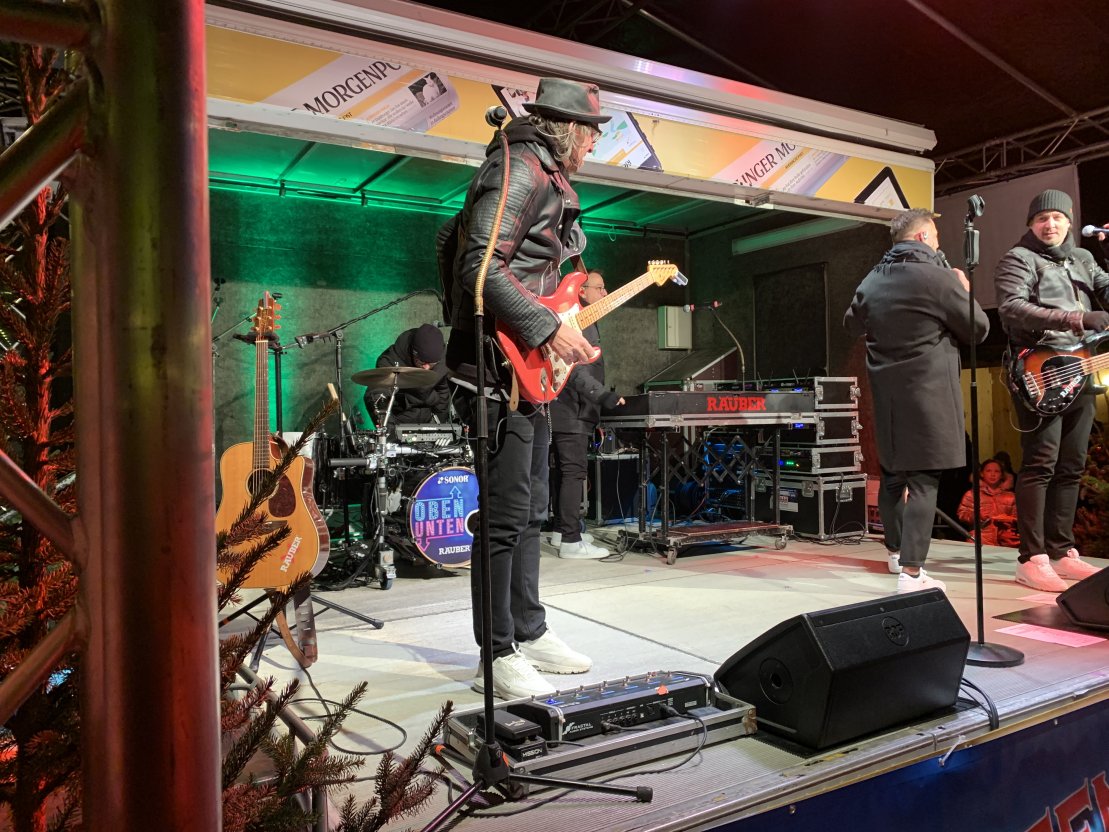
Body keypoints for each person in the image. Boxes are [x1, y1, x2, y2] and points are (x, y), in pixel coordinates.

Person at [439, 77, 608, 699]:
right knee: (505, 516)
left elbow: (531, 268)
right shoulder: (519, 168)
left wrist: (553, 324)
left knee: (532, 510)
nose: (594, 144)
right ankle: (497, 651)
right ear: (567, 127)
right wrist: (547, 328)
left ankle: (529, 630)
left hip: (523, 368)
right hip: (494, 371)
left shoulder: (544, 172)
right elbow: (479, 266)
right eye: (591, 132)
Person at [845, 207, 988, 593]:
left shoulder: (873, 279)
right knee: (925, 480)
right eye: (935, 236)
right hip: (929, 393)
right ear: (923, 237)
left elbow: (851, 323)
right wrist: (964, 289)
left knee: (894, 477)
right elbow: (979, 329)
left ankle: (895, 553)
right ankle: (912, 573)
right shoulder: (938, 278)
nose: (938, 243)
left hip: (888, 396)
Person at [994, 189, 1109, 592]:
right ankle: (1032, 558)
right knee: (1040, 464)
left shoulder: (1083, 258)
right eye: (1042, 218)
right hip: (1041, 371)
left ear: (1070, 222)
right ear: (1031, 223)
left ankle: (1061, 551)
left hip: (1083, 369)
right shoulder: (1018, 259)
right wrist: (1076, 319)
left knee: (1072, 465)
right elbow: (1012, 308)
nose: (1050, 224)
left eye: (1058, 217)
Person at [548, 269, 624, 559]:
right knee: (573, 472)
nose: (605, 293)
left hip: (561, 408)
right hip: (574, 410)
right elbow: (577, 371)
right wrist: (603, 395)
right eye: (599, 288)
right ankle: (570, 540)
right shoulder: (581, 322)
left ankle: (561, 531)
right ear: (581, 291)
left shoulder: (570, 321)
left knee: (561, 471)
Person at [363, 322, 450, 425]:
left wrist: (440, 425)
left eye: (431, 364)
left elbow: (443, 391)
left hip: (429, 419)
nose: (426, 368)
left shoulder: (442, 359)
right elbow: (378, 395)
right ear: (413, 352)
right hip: (399, 421)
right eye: (422, 362)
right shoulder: (389, 360)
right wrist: (389, 429)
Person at [957, 459, 1019, 547]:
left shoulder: (1011, 497)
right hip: (978, 540)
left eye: (997, 471)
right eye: (988, 471)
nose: (993, 474)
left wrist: (1007, 520)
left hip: (1004, 542)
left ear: (1002, 475)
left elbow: (1018, 518)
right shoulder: (972, 494)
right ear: (982, 474)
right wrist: (977, 516)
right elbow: (962, 514)